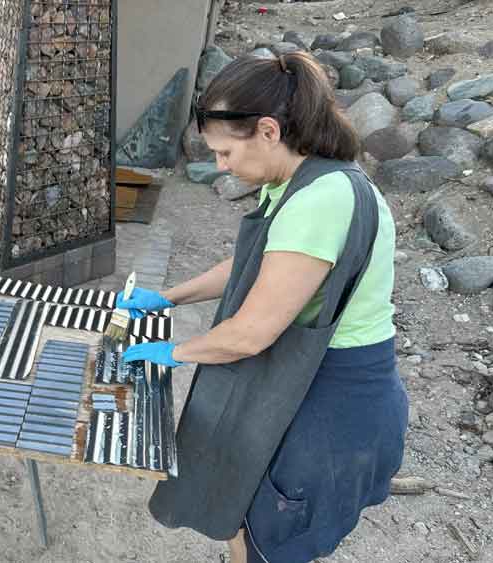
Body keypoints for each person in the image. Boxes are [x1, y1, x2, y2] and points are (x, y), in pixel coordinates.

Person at [117, 51, 408, 563]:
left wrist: (171, 351)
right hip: (296, 381)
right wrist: (169, 297)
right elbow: (251, 262)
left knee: (271, 540)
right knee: (241, 505)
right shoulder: (298, 182)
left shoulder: (323, 200)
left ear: (269, 131)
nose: (223, 166)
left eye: (227, 152)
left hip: (331, 399)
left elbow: (250, 335)